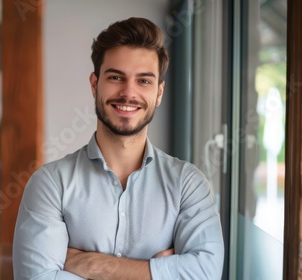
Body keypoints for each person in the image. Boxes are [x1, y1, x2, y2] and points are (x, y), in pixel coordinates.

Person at [13, 17, 224, 279]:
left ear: (159, 93)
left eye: (144, 81)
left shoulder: (188, 184)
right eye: (115, 77)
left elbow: (205, 273)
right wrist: (158, 272)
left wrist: (97, 266)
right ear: (94, 84)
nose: (128, 93)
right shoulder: (50, 183)